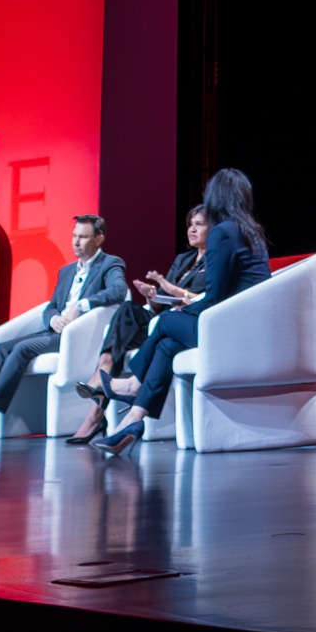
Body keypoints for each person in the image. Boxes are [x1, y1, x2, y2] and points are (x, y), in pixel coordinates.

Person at [96, 169, 271, 458]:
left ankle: (132, 382)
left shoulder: (223, 233)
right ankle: (131, 422)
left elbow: (215, 298)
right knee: (167, 344)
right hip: (248, 324)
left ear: (215, 198)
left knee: (165, 320)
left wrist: (186, 310)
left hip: (229, 328)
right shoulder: (252, 232)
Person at [0, 214, 125, 445]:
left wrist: (80, 307)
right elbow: (51, 306)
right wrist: (52, 319)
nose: (76, 242)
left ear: (99, 238)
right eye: (74, 236)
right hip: (54, 331)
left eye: (83, 237)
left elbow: (119, 291)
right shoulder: (67, 271)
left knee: (22, 348)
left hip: (78, 337)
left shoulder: (110, 264)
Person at [78, 209, 206, 444]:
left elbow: (205, 299)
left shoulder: (215, 263)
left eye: (199, 224)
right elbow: (161, 305)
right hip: (163, 320)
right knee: (127, 309)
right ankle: (103, 369)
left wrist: (170, 288)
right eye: (190, 224)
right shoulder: (183, 260)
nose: (192, 229)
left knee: (157, 331)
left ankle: (101, 405)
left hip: (185, 323)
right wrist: (151, 297)